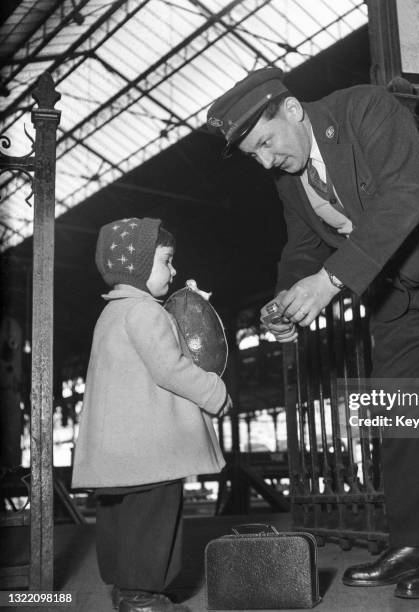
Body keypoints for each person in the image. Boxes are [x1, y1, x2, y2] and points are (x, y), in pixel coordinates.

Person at [207, 68, 419, 599]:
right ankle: (417, 539)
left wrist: (330, 282)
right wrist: (285, 299)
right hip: (400, 285)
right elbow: (304, 249)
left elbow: (405, 194)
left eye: (265, 142)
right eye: (252, 155)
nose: (265, 160)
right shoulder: (290, 180)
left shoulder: (367, 109)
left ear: (291, 109)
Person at [72, 217, 230, 612]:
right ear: (139, 266)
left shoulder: (113, 313)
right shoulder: (146, 313)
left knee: (121, 518)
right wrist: (215, 392)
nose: (174, 270)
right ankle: (142, 593)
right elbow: (170, 368)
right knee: (155, 518)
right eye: (167, 260)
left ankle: (127, 587)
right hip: (149, 448)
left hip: (120, 448)